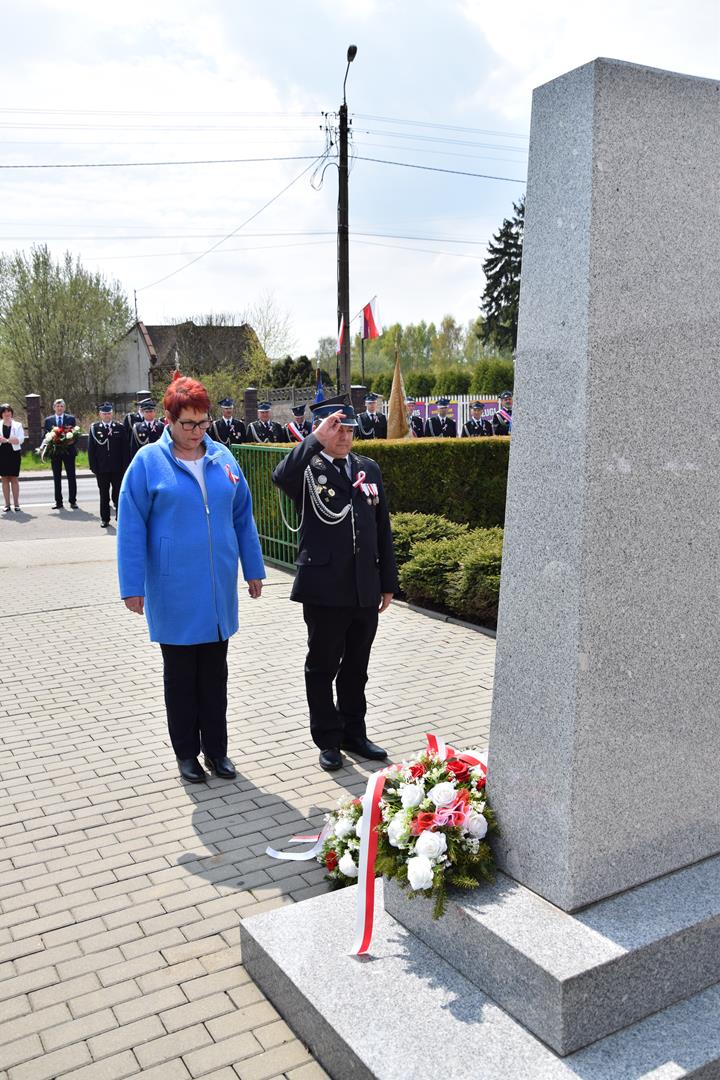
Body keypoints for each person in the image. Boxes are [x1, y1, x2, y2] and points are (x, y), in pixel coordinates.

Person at [117, 376, 265, 784]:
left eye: (203, 423)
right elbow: (131, 525)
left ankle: (218, 752)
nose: (197, 432)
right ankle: (187, 754)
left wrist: (253, 568)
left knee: (214, 678)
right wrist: (132, 585)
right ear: (169, 420)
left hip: (217, 588)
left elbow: (242, 516)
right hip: (174, 588)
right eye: (188, 424)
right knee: (181, 678)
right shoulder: (147, 462)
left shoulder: (223, 458)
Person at [272, 398, 398, 772]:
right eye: (336, 429)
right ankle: (327, 739)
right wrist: (313, 440)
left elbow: (381, 529)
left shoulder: (367, 469)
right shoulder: (308, 469)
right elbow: (281, 475)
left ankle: (353, 732)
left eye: (349, 429)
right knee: (323, 665)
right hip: (325, 588)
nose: (345, 436)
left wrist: (387, 581)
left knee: (357, 665)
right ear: (322, 431)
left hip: (364, 586)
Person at [88, 403, 127, 528]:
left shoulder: (119, 427)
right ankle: (104, 518)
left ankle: (120, 517)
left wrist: (125, 467)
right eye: (104, 413)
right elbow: (91, 450)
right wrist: (93, 467)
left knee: (118, 494)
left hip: (117, 468)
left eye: (109, 413)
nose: (107, 416)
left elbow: (124, 450)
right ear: (100, 414)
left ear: (112, 413)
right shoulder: (95, 428)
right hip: (102, 468)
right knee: (104, 495)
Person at [44, 398, 78, 509]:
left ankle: (73, 501)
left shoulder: (71, 419)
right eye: (57, 406)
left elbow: (75, 435)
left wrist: (72, 440)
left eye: (61, 406)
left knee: (71, 476)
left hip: (69, 452)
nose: (59, 408)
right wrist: (50, 441)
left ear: (64, 407)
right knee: (56, 477)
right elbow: (45, 436)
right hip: (55, 453)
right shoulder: (48, 420)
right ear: (54, 407)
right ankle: (58, 502)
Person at [0, 404, 24, 512]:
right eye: (4, 411)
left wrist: (6, 440)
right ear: (1, 414)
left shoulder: (18, 425)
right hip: (2, 454)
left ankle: (17, 504)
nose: (6, 413)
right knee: (4, 479)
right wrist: (10, 440)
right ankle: (7, 504)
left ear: (11, 412)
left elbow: (20, 439)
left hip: (14, 454)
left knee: (14, 478)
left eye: (8, 411)